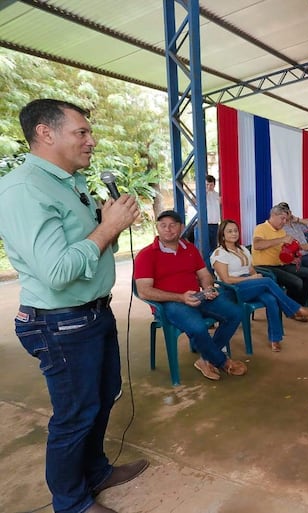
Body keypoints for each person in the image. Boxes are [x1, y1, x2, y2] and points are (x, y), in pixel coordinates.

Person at [0, 98, 147, 513]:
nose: (91, 141)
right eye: (81, 132)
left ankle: (96, 471)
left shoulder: (69, 181)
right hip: (59, 324)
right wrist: (108, 228)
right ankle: (72, 503)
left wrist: (110, 229)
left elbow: (91, 248)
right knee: (75, 415)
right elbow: (58, 271)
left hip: (93, 313)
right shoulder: (24, 190)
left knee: (102, 398)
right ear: (45, 133)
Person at [136, 210, 248, 380]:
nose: (168, 229)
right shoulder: (146, 254)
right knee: (198, 327)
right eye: (163, 225)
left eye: (173, 225)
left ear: (181, 227)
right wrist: (180, 297)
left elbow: (204, 275)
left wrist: (208, 288)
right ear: (157, 227)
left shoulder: (189, 248)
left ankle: (205, 359)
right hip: (169, 303)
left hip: (197, 296)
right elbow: (144, 290)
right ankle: (222, 362)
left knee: (235, 313)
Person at [210, 219, 308, 352]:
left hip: (248, 284)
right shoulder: (219, 254)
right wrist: (252, 279)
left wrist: (255, 276)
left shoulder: (242, 249)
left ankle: (275, 339)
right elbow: (225, 280)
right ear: (222, 235)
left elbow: (251, 269)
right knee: (267, 282)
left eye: (235, 231)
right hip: (232, 290)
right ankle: (295, 309)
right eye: (229, 231)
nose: (234, 234)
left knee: (271, 299)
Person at [251, 205, 308, 305]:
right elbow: (257, 245)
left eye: (286, 219)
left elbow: (283, 251)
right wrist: (280, 240)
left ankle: (299, 305)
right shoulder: (261, 228)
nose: (284, 222)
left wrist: (293, 258)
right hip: (265, 267)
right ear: (273, 215)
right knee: (296, 281)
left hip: (281, 265)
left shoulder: (281, 231)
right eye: (282, 218)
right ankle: (294, 307)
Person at [204, 174, 221, 255]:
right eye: (207, 184)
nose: (209, 187)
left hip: (214, 225)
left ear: (214, 185)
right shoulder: (200, 195)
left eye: (211, 185)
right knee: (203, 247)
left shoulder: (217, 195)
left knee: (214, 246)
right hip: (204, 225)